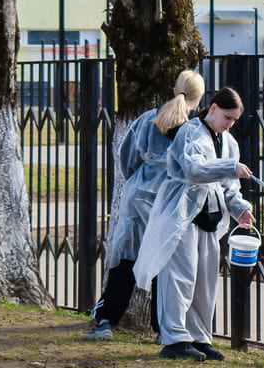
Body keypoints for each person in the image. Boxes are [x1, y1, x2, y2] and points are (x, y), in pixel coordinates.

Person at [133, 88, 254, 362]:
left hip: (210, 217)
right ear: (212, 108)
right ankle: (175, 338)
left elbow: (229, 188)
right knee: (179, 276)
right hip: (182, 213)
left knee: (205, 279)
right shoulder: (190, 132)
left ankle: (200, 337)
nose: (229, 124)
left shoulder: (228, 142)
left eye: (234, 120)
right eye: (227, 117)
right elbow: (193, 170)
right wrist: (229, 167)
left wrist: (241, 210)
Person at [83, 70, 205, 341]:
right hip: (170, 201)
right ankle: (163, 328)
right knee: (164, 262)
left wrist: (139, 182)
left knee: (125, 260)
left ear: (175, 91)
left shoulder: (148, 119)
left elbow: (126, 156)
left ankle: (104, 321)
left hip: (138, 195)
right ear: (200, 98)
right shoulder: (195, 129)